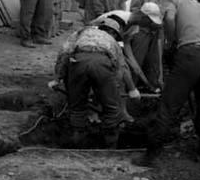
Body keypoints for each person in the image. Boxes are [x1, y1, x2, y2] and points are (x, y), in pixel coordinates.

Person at [136, 0, 200, 166]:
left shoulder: (174, 1)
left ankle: (151, 154)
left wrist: (171, 43)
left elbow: (170, 19)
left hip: (190, 53)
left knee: (169, 105)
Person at [54, 16, 139, 147]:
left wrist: (57, 79)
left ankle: (77, 142)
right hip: (102, 63)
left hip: (78, 62)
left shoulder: (80, 33)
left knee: (77, 107)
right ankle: (110, 145)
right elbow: (121, 67)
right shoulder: (112, 41)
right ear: (113, 32)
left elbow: (64, 54)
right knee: (112, 109)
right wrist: (130, 89)